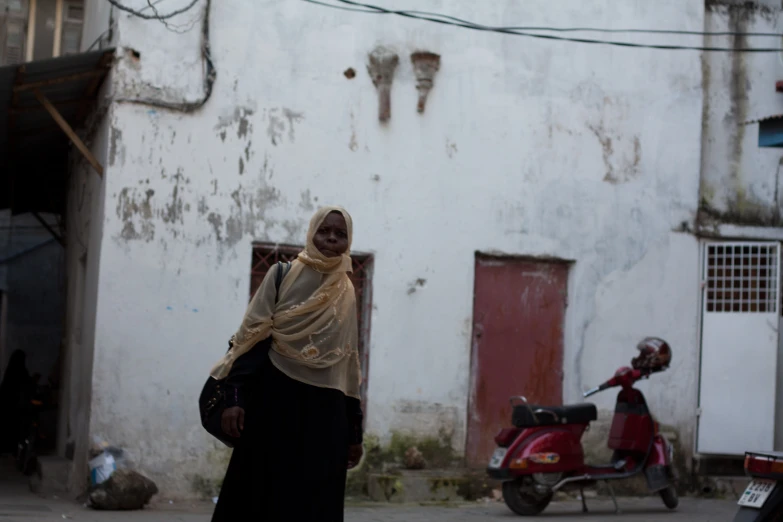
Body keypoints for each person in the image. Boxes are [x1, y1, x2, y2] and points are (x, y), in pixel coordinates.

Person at [210, 206, 364, 522]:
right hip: (273, 402)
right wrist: (234, 399)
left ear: (348, 241)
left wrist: (354, 433)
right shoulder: (281, 275)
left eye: (340, 234)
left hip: (326, 415)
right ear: (311, 232)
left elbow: (348, 364)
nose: (331, 238)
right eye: (324, 230)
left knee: (314, 502)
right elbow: (252, 337)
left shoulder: (346, 291)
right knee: (259, 494)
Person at [0, 350, 31, 454]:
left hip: (11, 407)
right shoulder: (21, 372)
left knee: (10, 429)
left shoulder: (11, 372)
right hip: (16, 407)